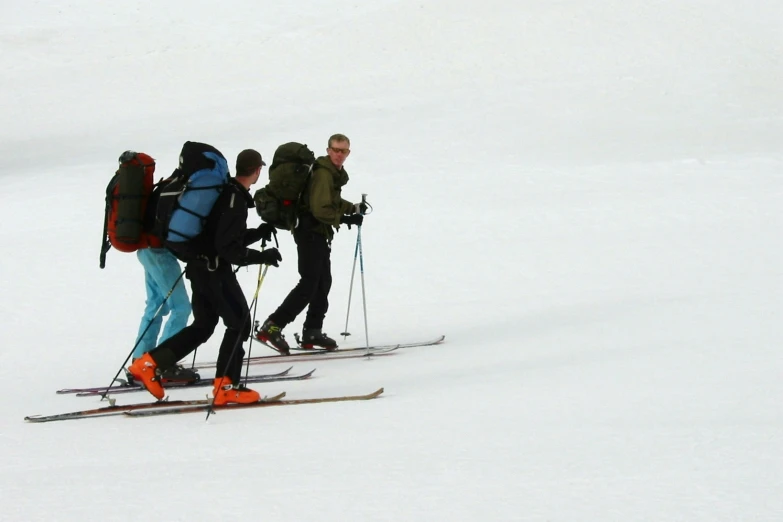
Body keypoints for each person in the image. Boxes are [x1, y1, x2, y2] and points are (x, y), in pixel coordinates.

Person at [128, 148, 282, 405]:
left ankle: (148, 363)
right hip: (213, 270)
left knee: (203, 326)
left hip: (200, 268)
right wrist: (260, 256)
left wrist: (256, 234)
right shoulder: (235, 199)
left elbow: (219, 235)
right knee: (239, 323)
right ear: (257, 171)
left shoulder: (224, 192)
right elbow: (227, 248)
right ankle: (226, 385)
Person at [255, 133, 364, 355]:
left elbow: (329, 201)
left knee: (322, 281)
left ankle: (312, 331)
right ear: (328, 150)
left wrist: (352, 208)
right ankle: (273, 325)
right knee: (310, 282)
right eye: (336, 150)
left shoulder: (330, 172)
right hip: (309, 232)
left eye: (343, 151)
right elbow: (319, 208)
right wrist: (343, 218)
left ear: (348, 152)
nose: (339, 155)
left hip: (316, 232)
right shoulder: (324, 173)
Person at [131, 246, 195, 382]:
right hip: (160, 252)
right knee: (180, 308)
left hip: (146, 250)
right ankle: (161, 363)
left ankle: (140, 358)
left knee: (155, 305)